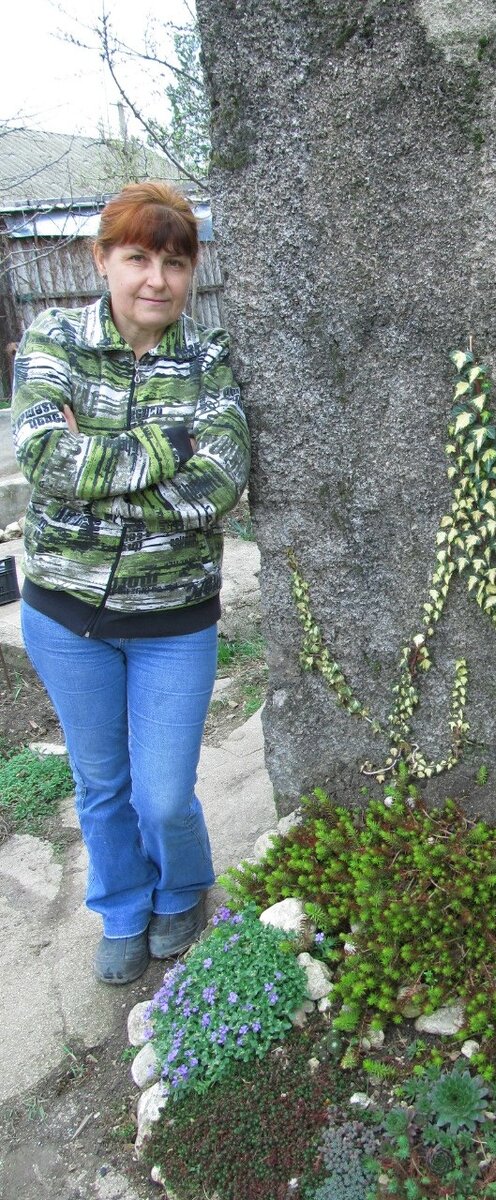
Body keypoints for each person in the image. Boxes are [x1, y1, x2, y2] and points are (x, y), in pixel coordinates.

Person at [11, 181, 251, 985]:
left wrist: (101, 463)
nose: (156, 279)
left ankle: (182, 885)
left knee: (162, 794)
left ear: (190, 273)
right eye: (138, 257)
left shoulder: (209, 357)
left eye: (175, 262)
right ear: (103, 259)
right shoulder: (52, 340)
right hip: (61, 612)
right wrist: (169, 442)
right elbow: (45, 458)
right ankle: (121, 905)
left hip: (174, 619)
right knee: (101, 782)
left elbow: (219, 482)